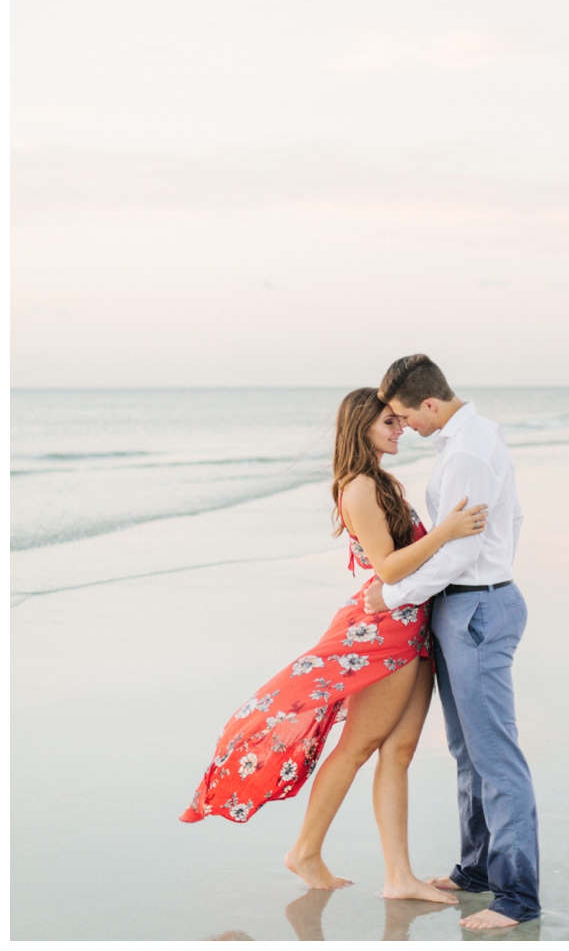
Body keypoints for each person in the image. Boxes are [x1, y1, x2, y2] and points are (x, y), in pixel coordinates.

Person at [180, 387, 487, 904]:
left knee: (399, 750)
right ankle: (305, 851)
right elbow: (388, 568)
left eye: (399, 420)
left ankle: (399, 877)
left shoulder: (381, 481)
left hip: (411, 628)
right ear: (361, 425)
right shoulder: (359, 487)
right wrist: (449, 530)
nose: (399, 429)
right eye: (389, 422)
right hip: (383, 633)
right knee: (359, 747)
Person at [363, 354, 540, 931]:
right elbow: (512, 520)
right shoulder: (473, 436)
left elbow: (461, 549)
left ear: (430, 404)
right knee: (467, 751)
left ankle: (517, 897)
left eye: (403, 415)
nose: (402, 427)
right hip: (470, 602)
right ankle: (477, 871)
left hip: (477, 606)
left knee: (495, 757)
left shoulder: (465, 450)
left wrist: (392, 597)